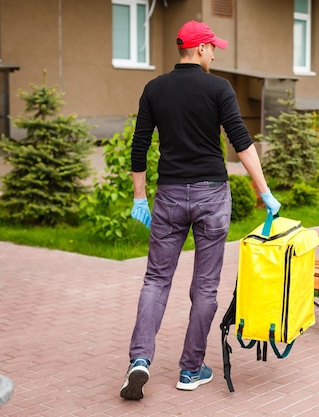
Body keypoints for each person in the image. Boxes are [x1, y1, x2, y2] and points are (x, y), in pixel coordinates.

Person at [120, 20, 281, 400]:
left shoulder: (154, 89)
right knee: (205, 286)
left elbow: (139, 146)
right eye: (214, 48)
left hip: (170, 196)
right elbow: (241, 142)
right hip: (211, 195)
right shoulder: (218, 88)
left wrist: (139, 198)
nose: (215, 53)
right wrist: (266, 192)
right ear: (201, 49)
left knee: (156, 280)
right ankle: (191, 369)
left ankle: (139, 360)